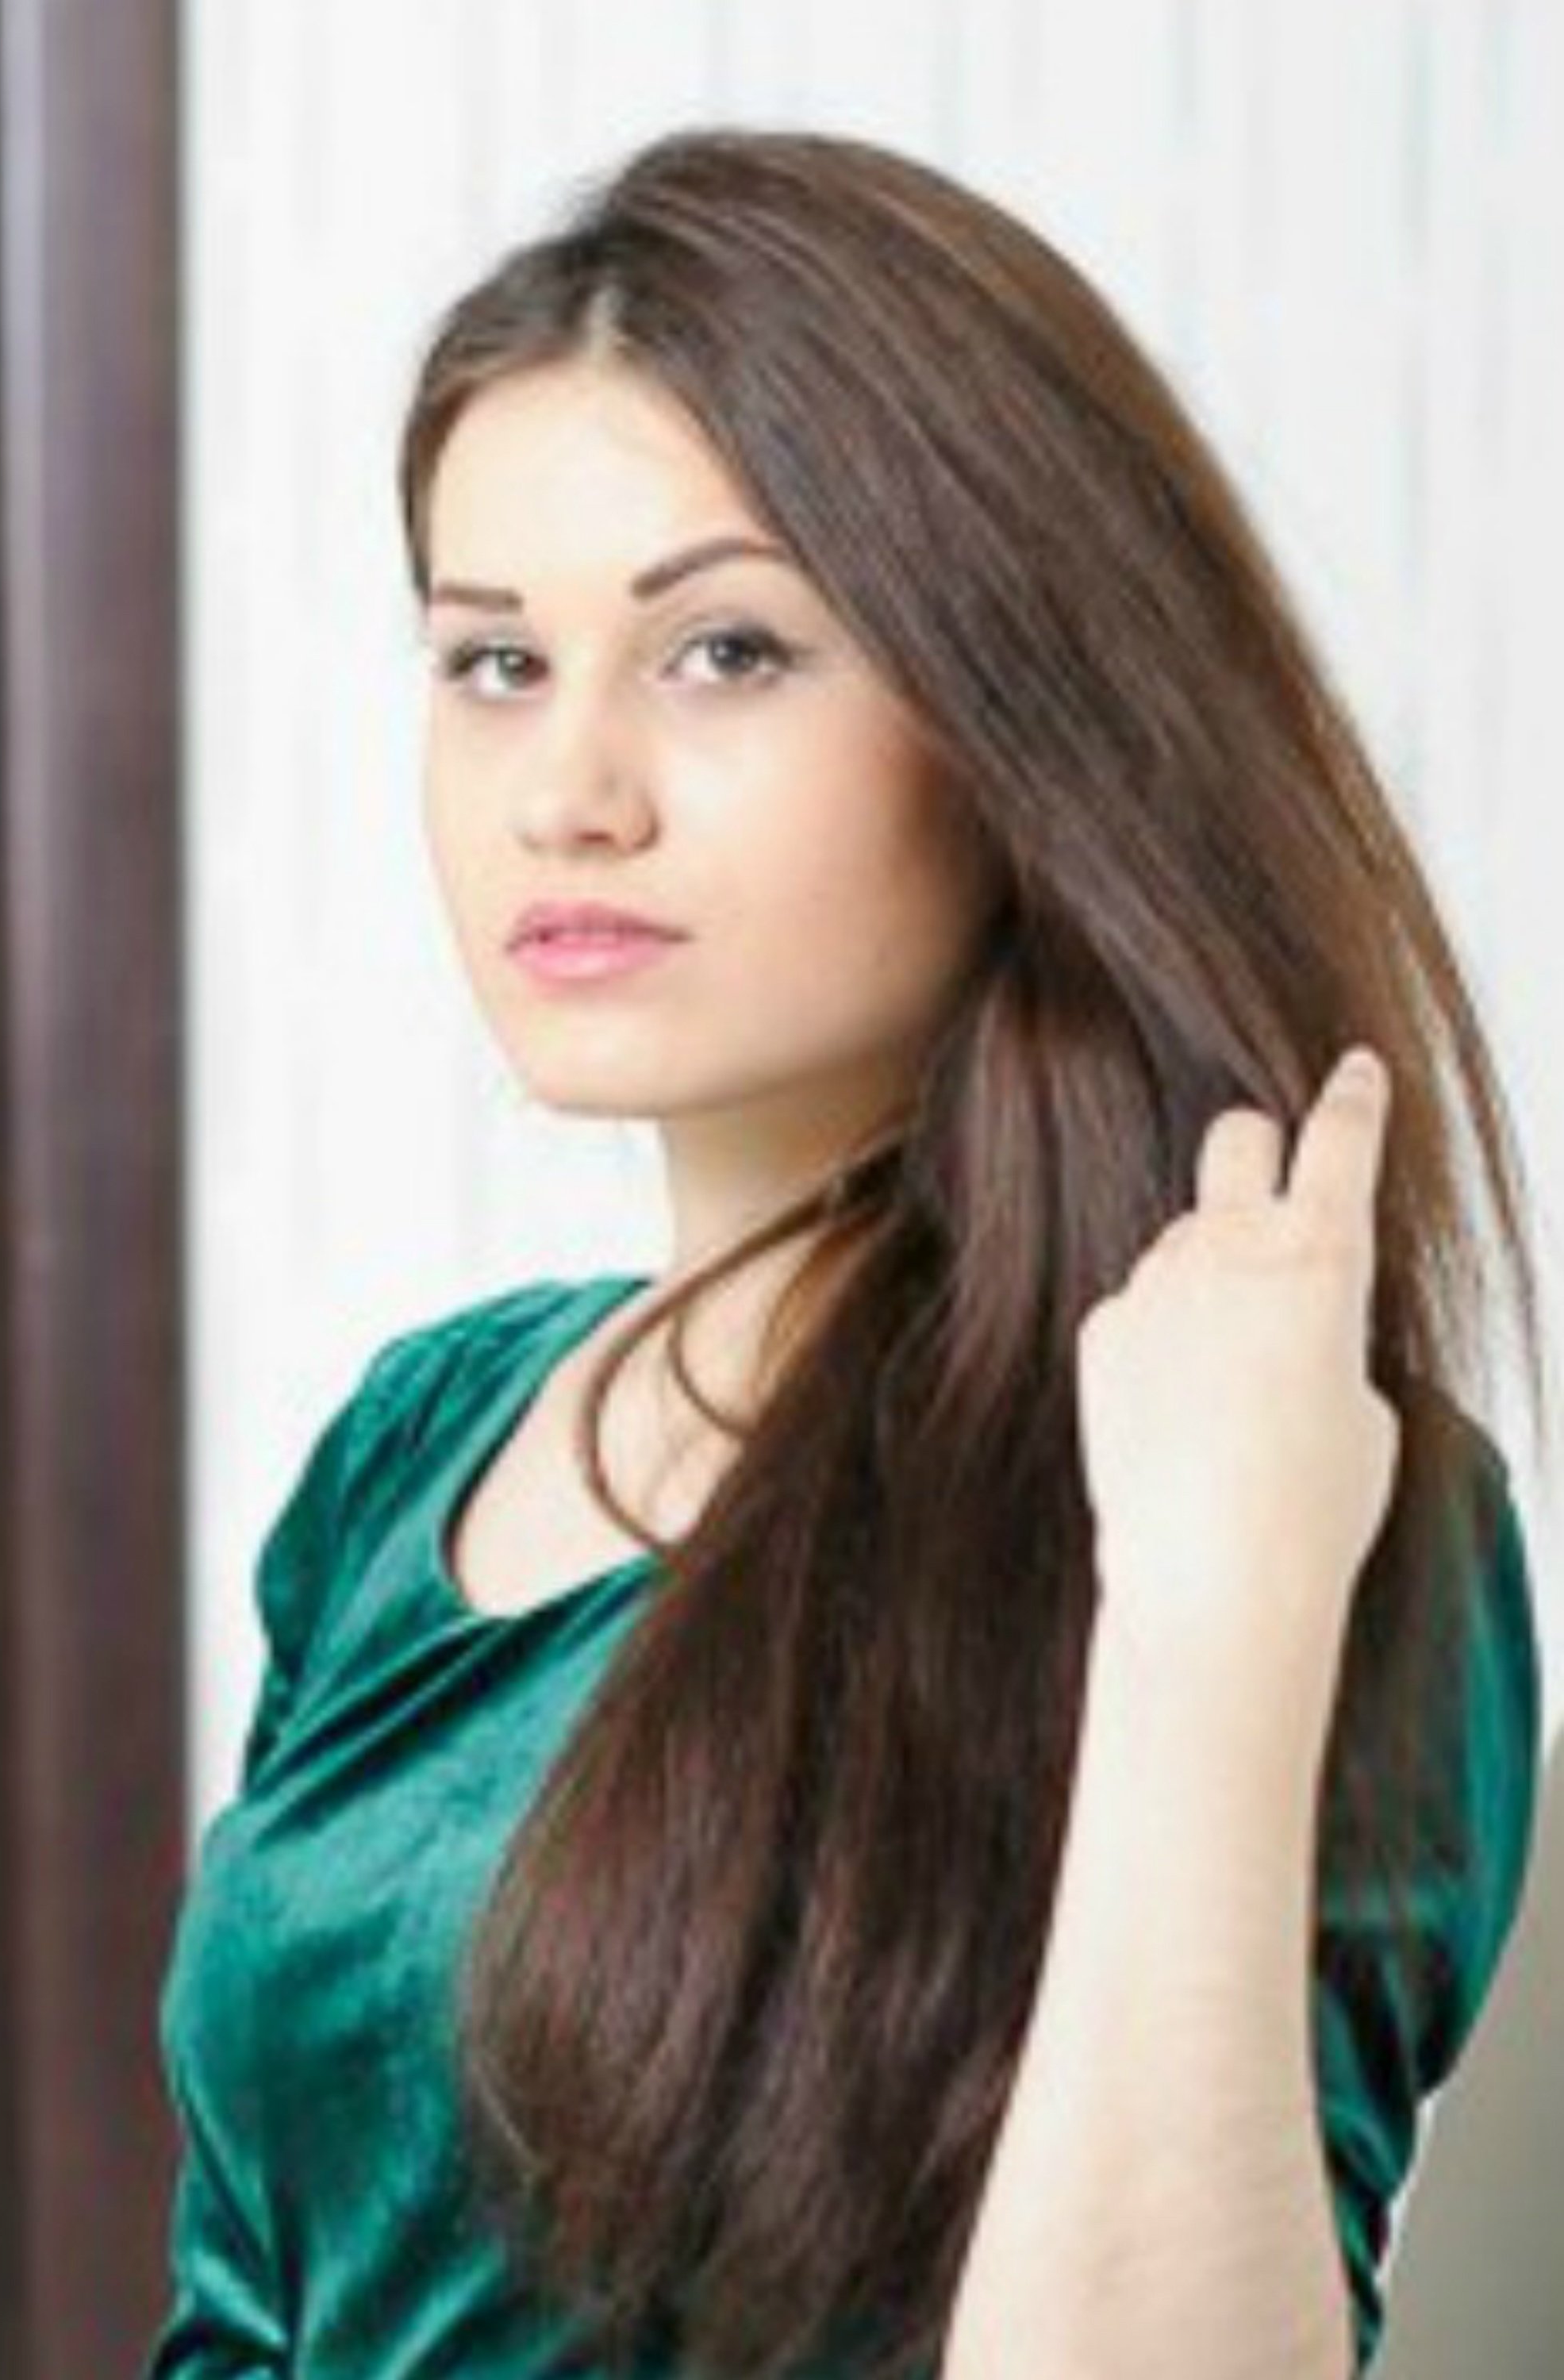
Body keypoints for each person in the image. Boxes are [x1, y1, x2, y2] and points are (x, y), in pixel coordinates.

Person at [143, 125, 1546, 2380]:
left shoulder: (1285, 1492)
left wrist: (1207, 1609)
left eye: (724, 650)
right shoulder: (416, 1444)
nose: (569, 791)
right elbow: (239, 2307)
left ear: (1016, 720)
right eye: (494, 661)